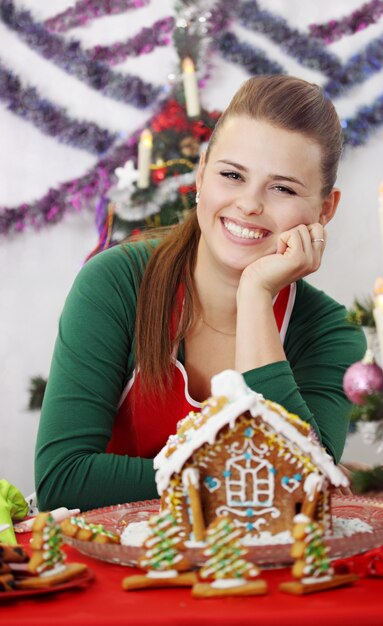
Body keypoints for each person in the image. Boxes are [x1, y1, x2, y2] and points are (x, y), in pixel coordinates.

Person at [35, 74, 366, 511]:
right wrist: (238, 476)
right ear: (202, 170)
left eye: (282, 187)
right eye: (231, 175)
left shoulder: (331, 332)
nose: (249, 204)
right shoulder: (115, 283)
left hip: (262, 570)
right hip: (115, 565)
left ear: (326, 209)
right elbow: (63, 477)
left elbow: (304, 483)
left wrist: (255, 295)